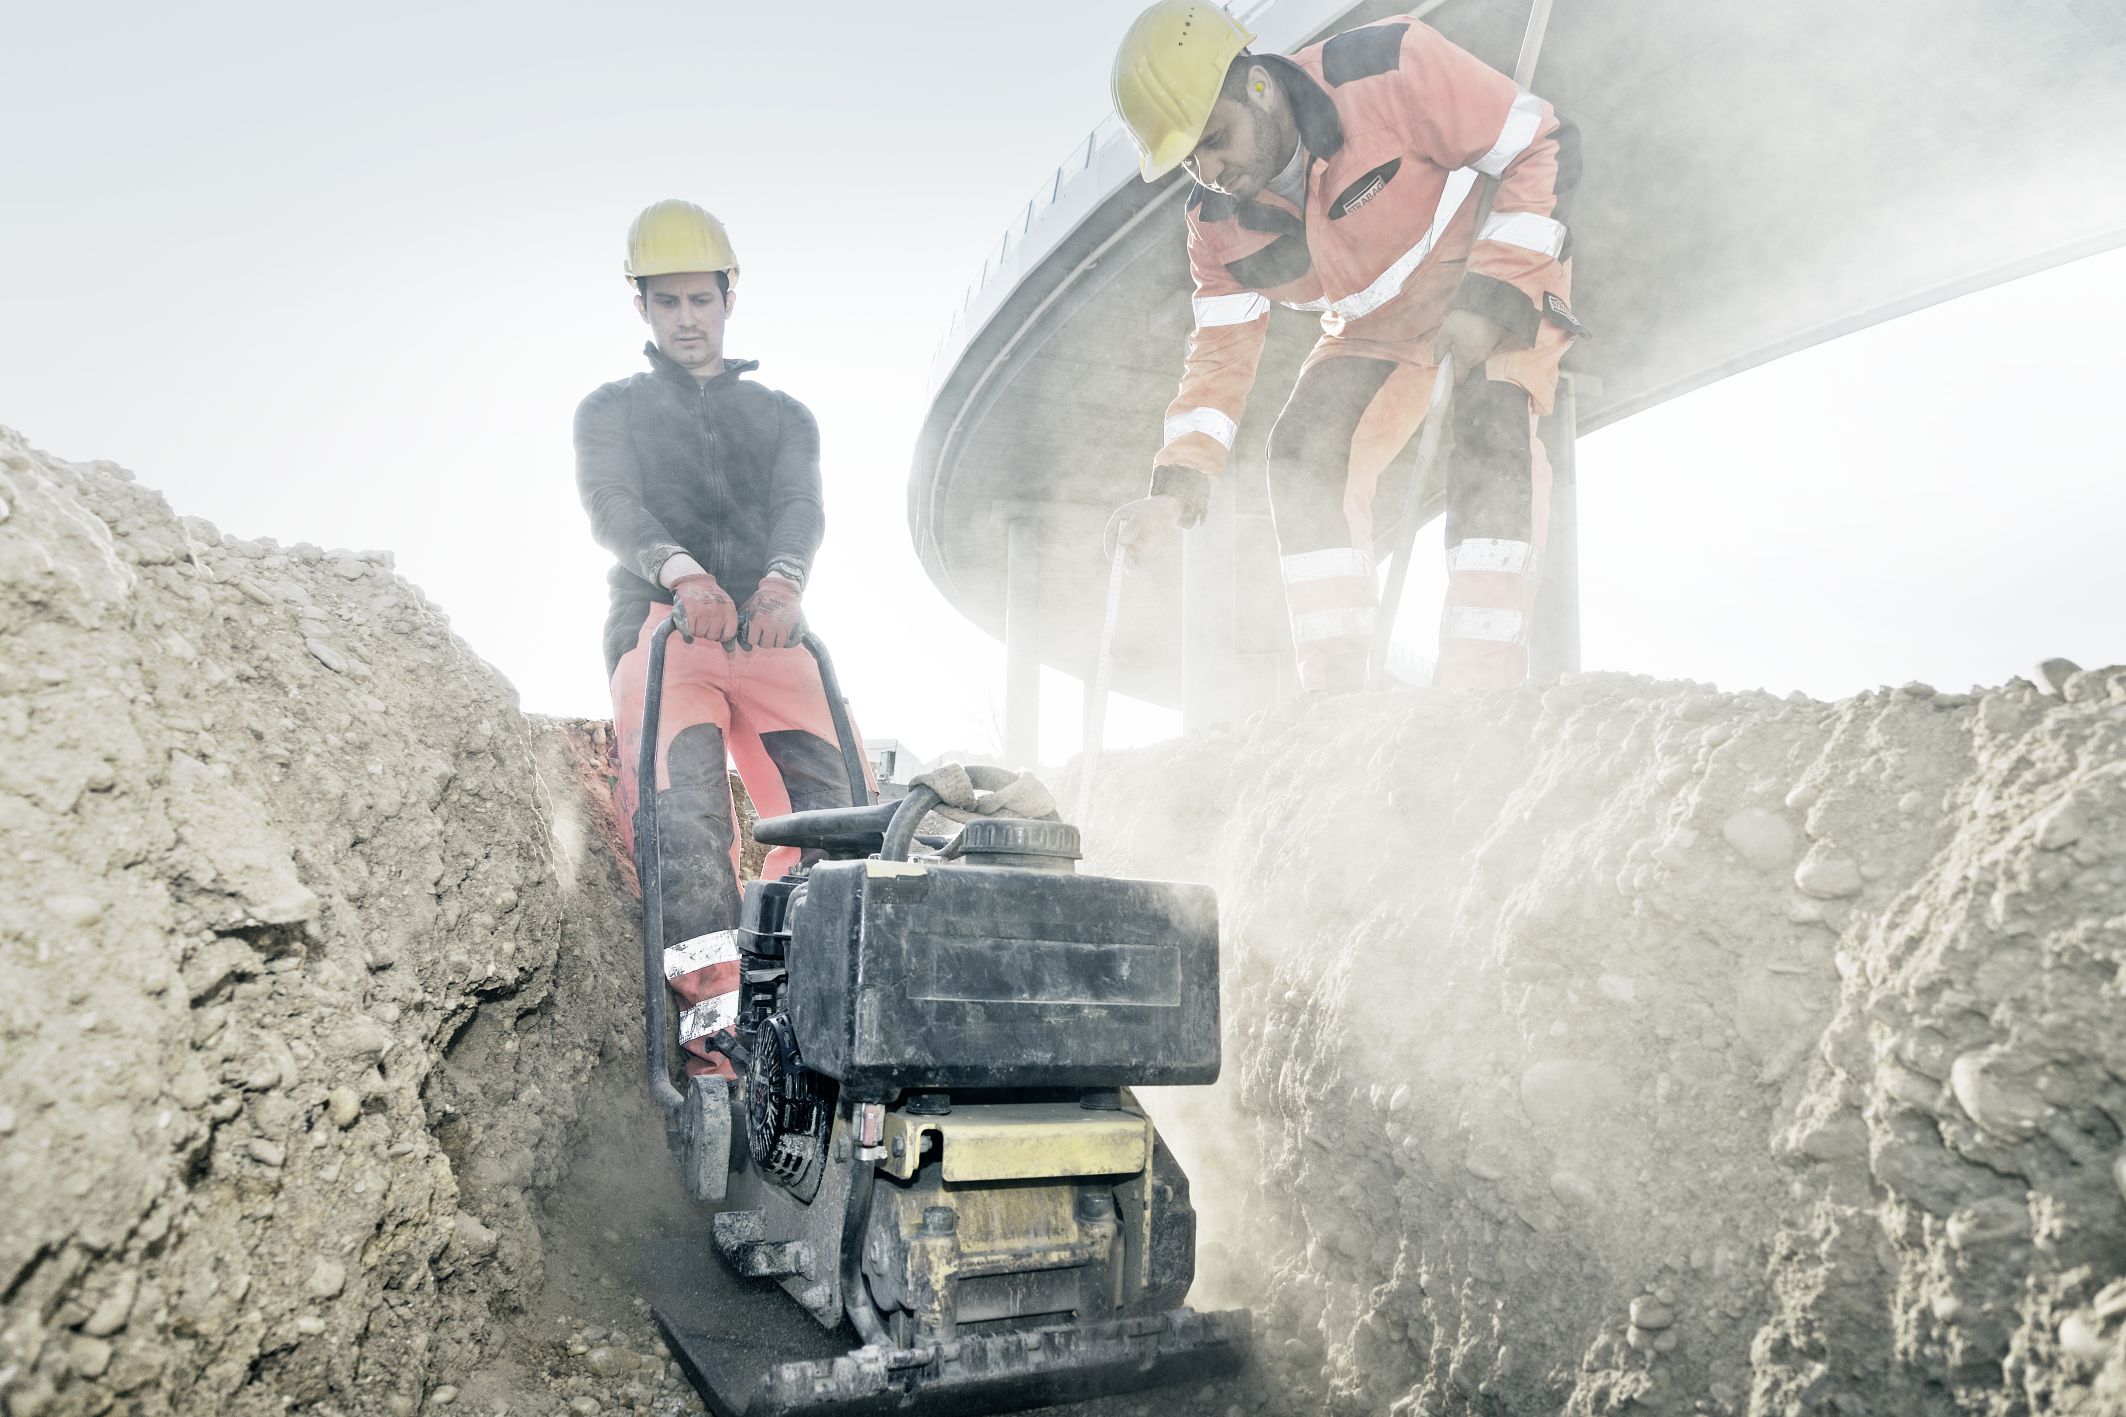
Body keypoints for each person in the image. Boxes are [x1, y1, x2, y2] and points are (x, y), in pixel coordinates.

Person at [1106, 3, 1584, 692]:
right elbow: (1218, 355)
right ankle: (1338, 696)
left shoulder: (1390, 66)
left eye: (1216, 138)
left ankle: (1481, 689)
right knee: (1301, 453)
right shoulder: (1215, 227)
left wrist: (1489, 302)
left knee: (1494, 424)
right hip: (1376, 329)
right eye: (1190, 160)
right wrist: (1175, 488)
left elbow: (1547, 143)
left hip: (1494, 277)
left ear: (1260, 88)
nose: (1210, 170)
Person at [576, 199, 867, 1079]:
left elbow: (801, 508)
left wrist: (783, 579)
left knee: (844, 815)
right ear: (642, 309)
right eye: (667, 303)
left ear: (728, 295)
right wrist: (678, 572)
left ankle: (826, 1002)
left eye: (700, 299)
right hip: (665, 633)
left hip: (773, 632)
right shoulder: (610, 411)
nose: (687, 318)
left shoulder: (784, 415)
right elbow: (611, 506)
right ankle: (718, 1034)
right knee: (686, 821)